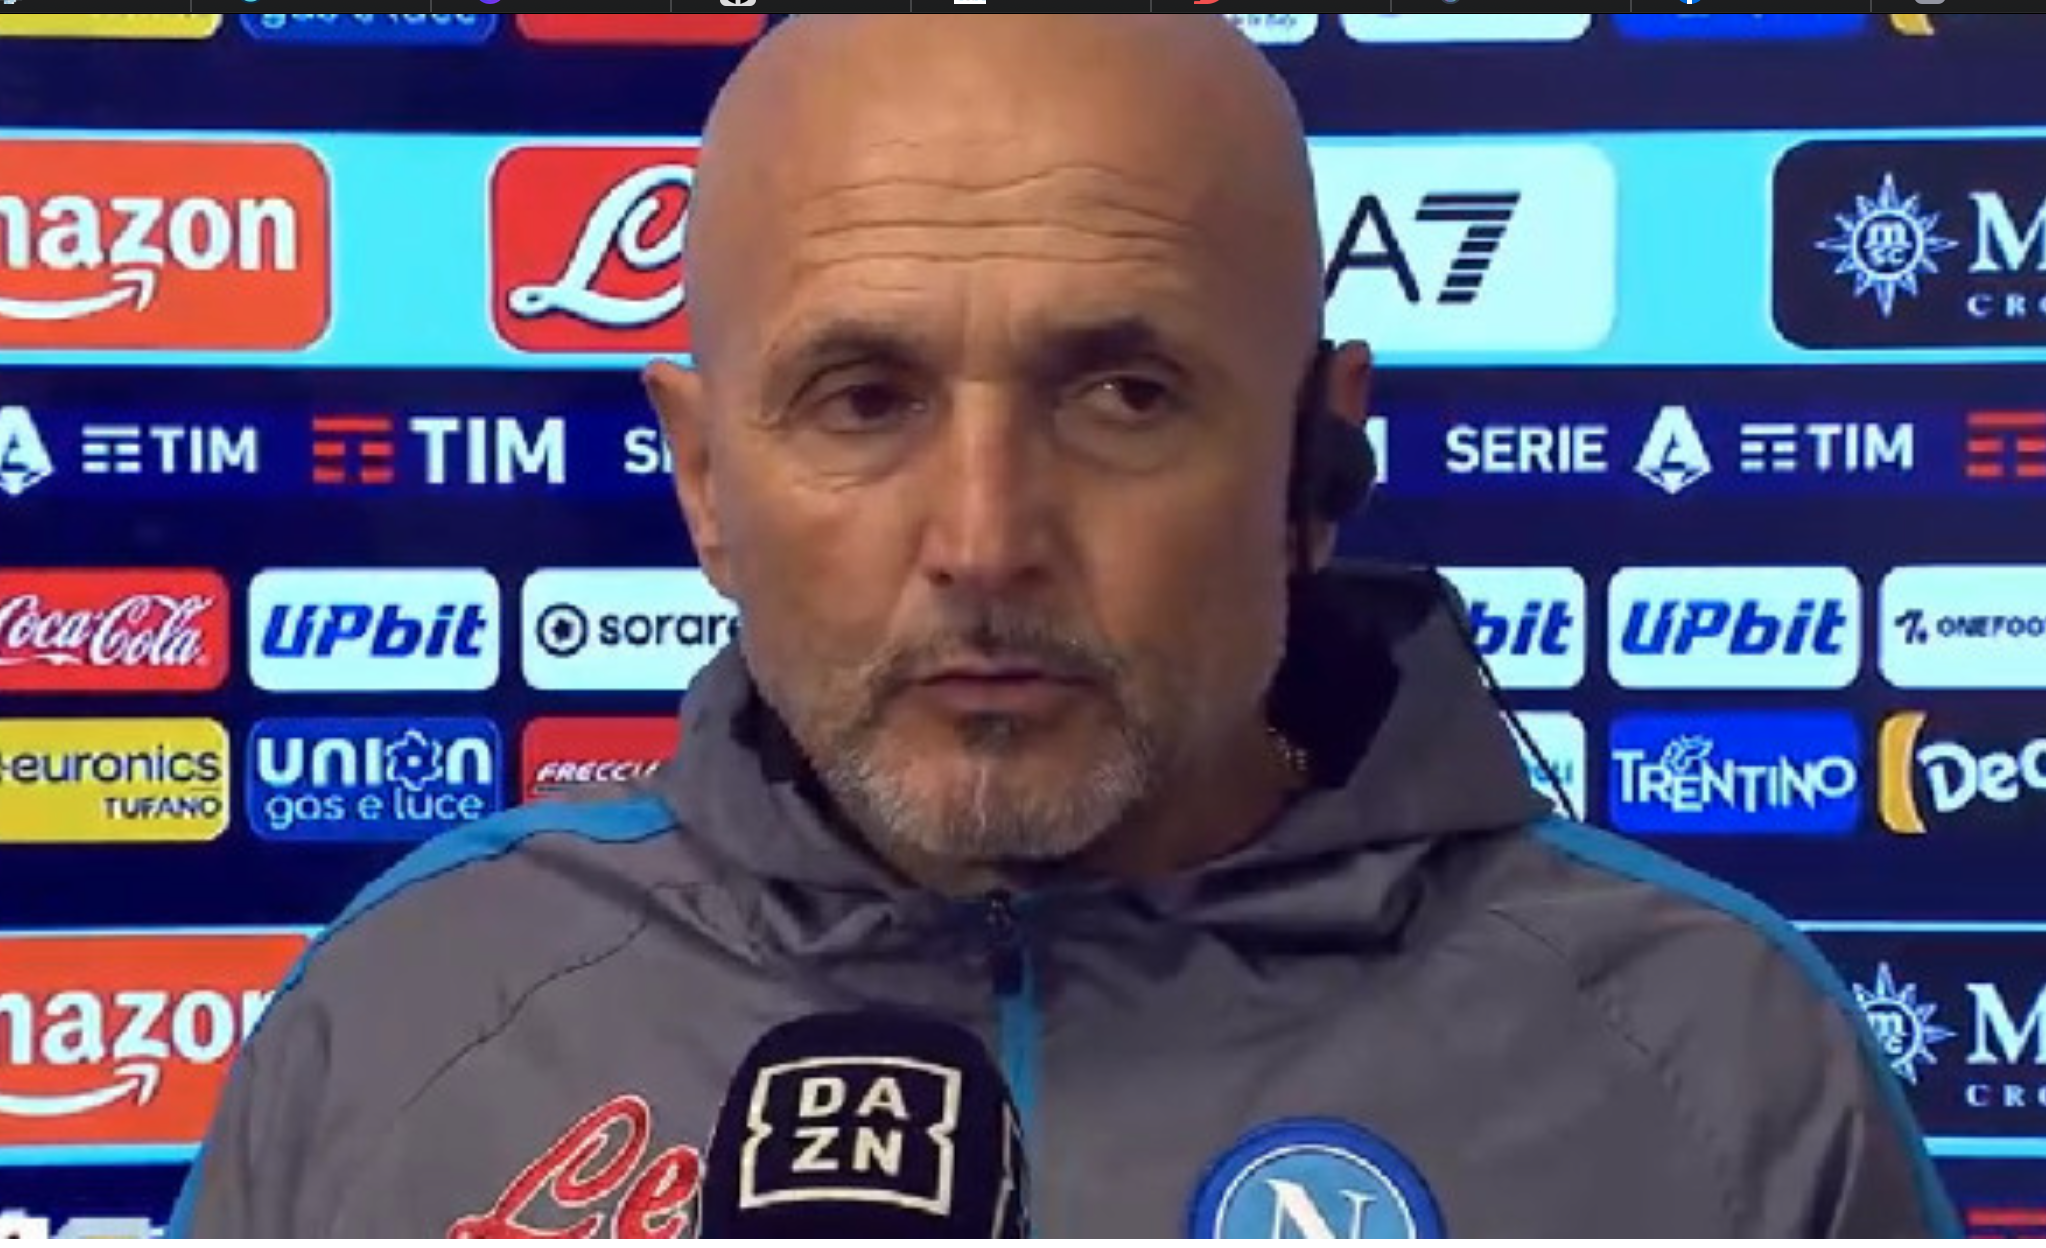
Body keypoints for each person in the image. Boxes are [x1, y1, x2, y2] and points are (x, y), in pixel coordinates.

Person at [170, 14, 1956, 1237]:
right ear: (705, 480)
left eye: (1120, 395)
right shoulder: (407, 1022)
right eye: (864, 399)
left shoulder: (1713, 1062)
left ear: (1311, 460)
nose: (983, 542)